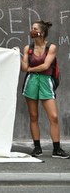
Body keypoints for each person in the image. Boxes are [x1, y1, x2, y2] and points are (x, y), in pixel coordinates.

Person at [21, 20, 68, 158]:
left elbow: (45, 66)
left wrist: (30, 68)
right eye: (32, 28)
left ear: (41, 32)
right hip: (31, 82)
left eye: (34, 28)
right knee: (34, 116)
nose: (32, 30)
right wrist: (21, 58)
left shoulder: (51, 47)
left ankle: (57, 149)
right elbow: (24, 68)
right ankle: (37, 148)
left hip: (46, 81)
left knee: (53, 116)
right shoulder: (27, 48)